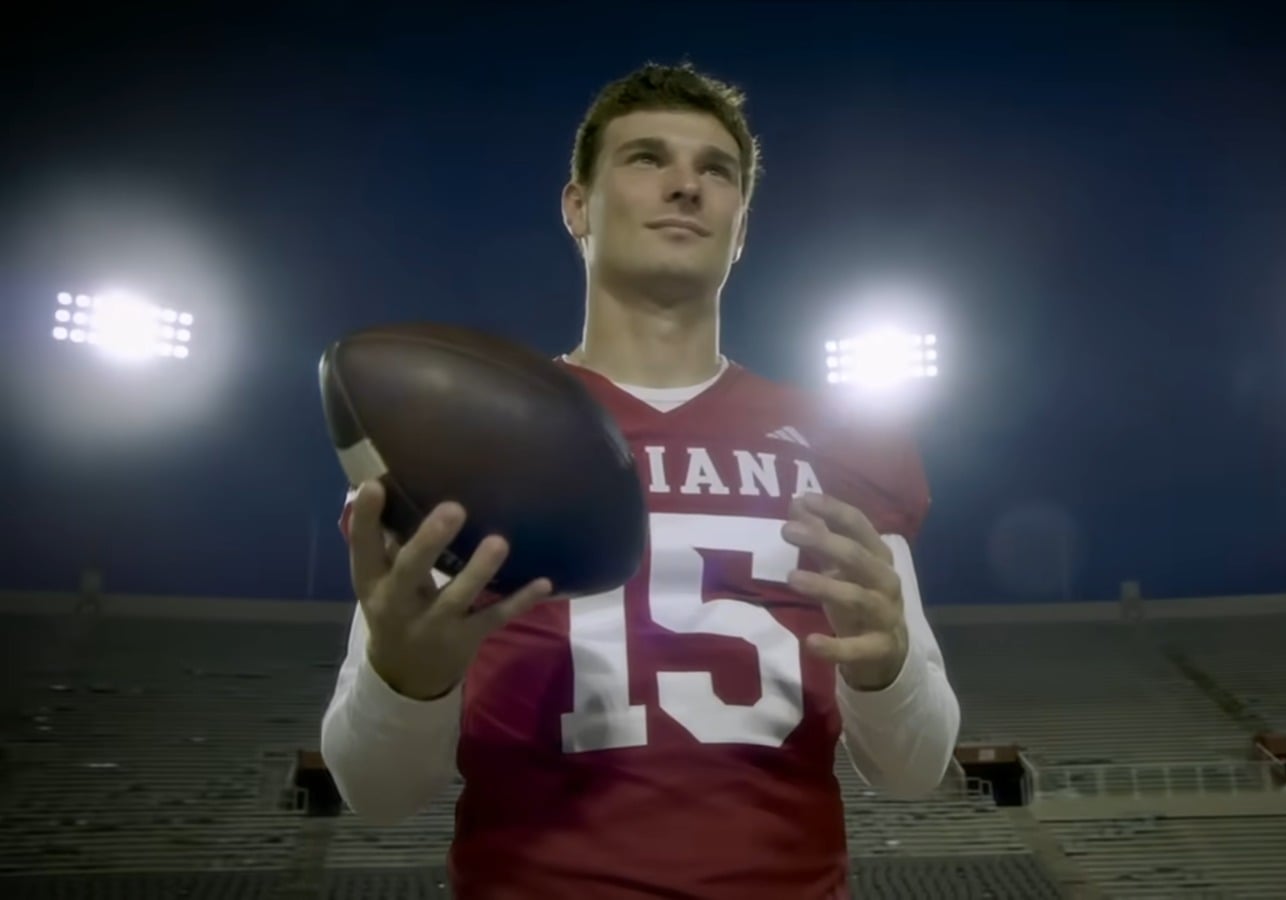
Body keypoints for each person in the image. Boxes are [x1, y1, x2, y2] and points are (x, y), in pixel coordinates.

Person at [319, 62, 961, 900]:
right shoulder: (465, 437)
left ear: (742, 227)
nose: (686, 185)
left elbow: (913, 770)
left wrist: (888, 668)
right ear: (576, 206)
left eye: (716, 170)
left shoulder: (845, 442)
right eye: (647, 158)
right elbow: (377, 792)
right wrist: (406, 679)